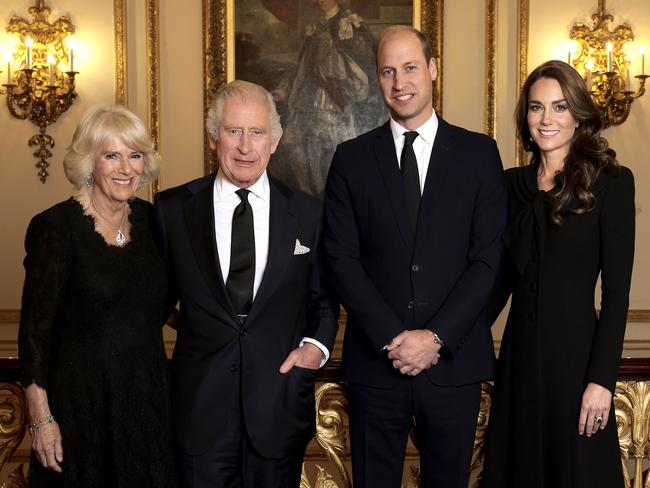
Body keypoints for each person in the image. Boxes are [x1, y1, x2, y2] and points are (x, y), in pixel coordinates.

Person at [323, 25, 507, 487]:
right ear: (378, 79)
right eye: (387, 71)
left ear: (433, 70)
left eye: (409, 67)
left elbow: (487, 260)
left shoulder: (479, 154)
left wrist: (436, 338)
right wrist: (392, 338)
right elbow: (341, 260)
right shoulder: (351, 158)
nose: (399, 81)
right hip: (376, 368)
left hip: (453, 367)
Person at [153, 80, 339, 488]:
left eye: (257, 133)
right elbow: (150, 301)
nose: (245, 147)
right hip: (198, 412)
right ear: (213, 137)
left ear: (275, 140)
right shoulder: (172, 210)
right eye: (233, 131)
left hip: (277, 407)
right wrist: (197, 330)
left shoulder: (308, 213)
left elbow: (323, 301)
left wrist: (314, 350)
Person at [481, 60, 635, 488]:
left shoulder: (612, 183)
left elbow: (618, 294)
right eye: (536, 107)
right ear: (525, 116)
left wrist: (601, 381)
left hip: (577, 365)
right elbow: (496, 281)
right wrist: (444, 338)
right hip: (519, 361)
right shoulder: (510, 184)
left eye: (559, 107)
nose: (546, 119)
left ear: (579, 114)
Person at [18, 105, 176, 486]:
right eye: (112, 156)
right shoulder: (56, 229)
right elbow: (33, 335)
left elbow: (160, 303)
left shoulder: (153, 222)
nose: (126, 169)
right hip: (81, 408)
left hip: (147, 405)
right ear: (89, 162)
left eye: (135, 156)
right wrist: (41, 421)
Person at [271, 0, 385, 195]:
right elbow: (302, 65)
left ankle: (332, 194)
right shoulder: (314, 27)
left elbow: (366, 63)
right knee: (294, 142)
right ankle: (309, 195)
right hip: (308, 96)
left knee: (333, 148)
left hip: (336, 97)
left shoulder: (351, 24)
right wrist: (285, 89)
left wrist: (340, 77)